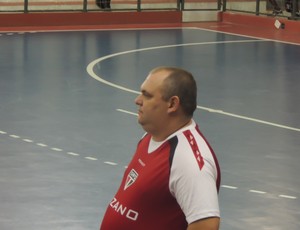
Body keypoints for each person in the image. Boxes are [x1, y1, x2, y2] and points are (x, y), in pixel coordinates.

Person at [100, 66, 221, 230]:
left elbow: (206, 225)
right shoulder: (151, 136)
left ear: (172, 104)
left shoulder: (188, 161)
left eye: (147, 95)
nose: (138, 100)